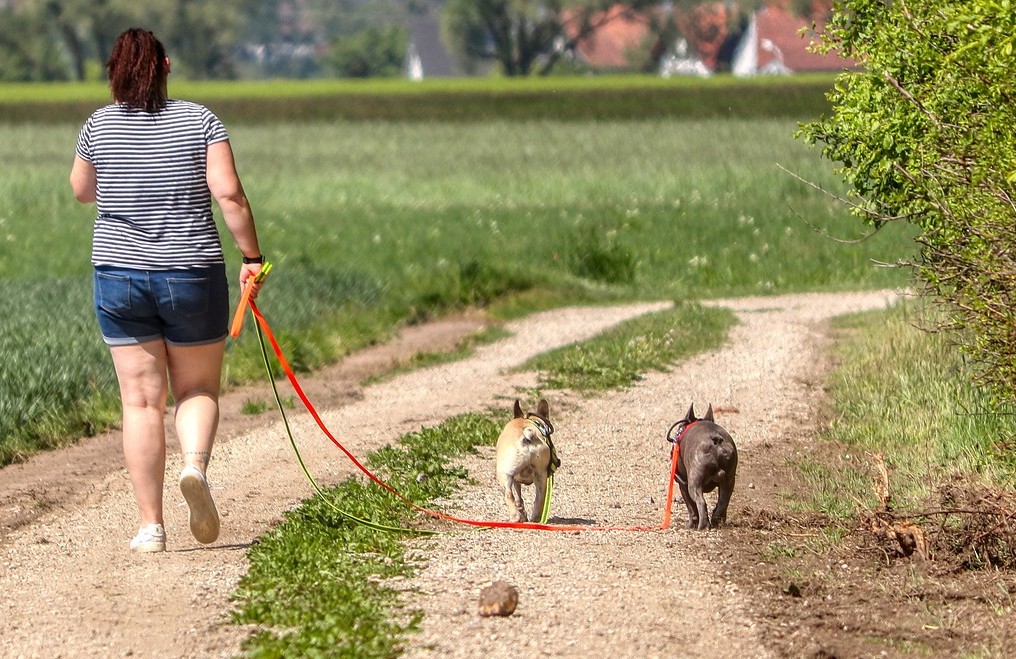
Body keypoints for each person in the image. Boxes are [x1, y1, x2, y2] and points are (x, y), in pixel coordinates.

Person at [69, 28, 265, 553]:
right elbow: (229, 195)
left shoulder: (98, 124)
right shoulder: (200, 120)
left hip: (118, 278)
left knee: (140, 402)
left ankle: (151, 526)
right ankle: (195, 468)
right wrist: (251, 257)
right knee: (196, 390)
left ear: (114, 71)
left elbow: (81, 191)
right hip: (191, 274)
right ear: (167, 67)